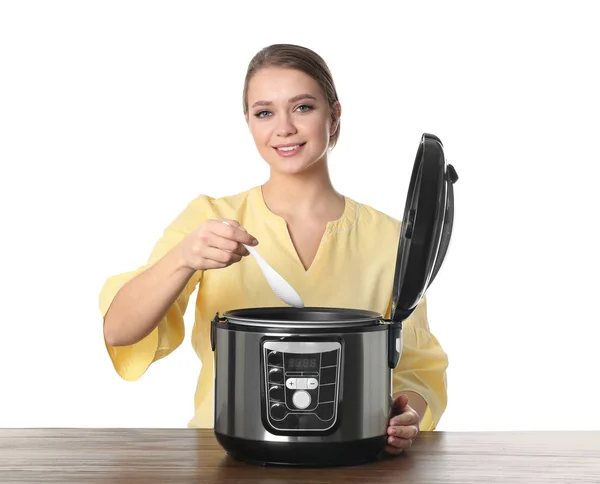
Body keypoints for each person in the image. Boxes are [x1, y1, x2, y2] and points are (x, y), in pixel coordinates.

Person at [99, 43, 448, 455]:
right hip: (226, 455)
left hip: (352, 458)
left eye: (302, 107)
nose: (283, 128)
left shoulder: (390, 238)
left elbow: (416, 366)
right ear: (248, 123)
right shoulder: (210, 219)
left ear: (333, 116)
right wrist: (182, 258)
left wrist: (408, 415)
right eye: (264, 112)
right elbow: (120, 330)